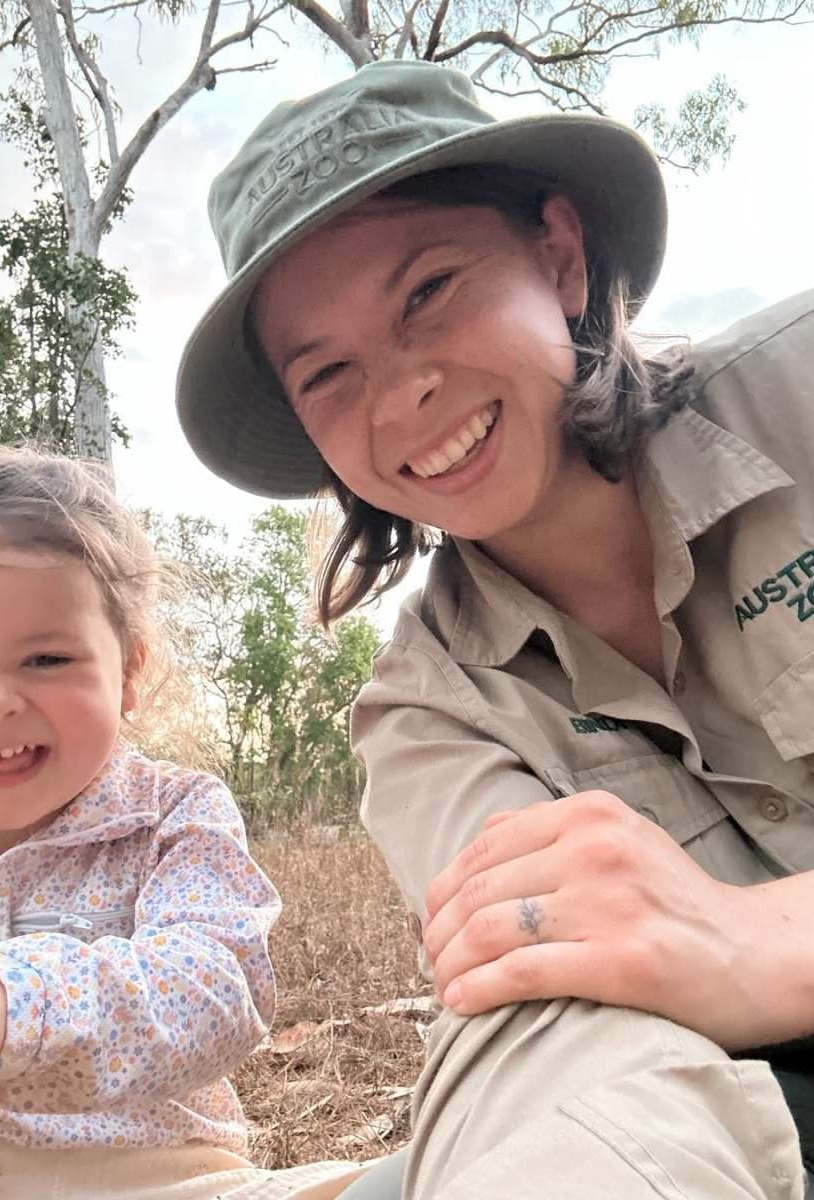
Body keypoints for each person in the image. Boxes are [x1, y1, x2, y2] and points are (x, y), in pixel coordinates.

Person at [176, 58, 814, 1199]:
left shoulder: (801, 392)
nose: (400, 394)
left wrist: (758, 943)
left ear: (559, 256)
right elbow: (549, 1018)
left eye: (427, 293)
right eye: (328, 375)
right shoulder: (426, 714)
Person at [0, 444, 366, 1200]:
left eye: (46, 659)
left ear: (127, 670)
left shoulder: (174, 817)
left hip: (161, 1181)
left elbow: (216, 990)